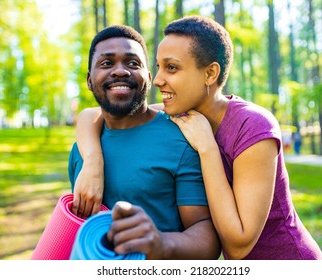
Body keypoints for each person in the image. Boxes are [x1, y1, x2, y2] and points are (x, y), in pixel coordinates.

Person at [75, 16, 322, 260]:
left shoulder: (254, 126)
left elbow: (238, 246)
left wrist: (207, 148)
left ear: (210, 74)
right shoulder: (182, 113)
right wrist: (93, 162)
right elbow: (93, 115)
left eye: (171, 68)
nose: (159, 79)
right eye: (159, 67)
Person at [68, 24, 221, 260]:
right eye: (106, 63)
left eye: (132, 63)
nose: (120, 71)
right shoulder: (83, 149)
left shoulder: (181, 138)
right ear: (89, 80)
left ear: (149, 78)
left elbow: (208, 240)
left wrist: (161, 243)